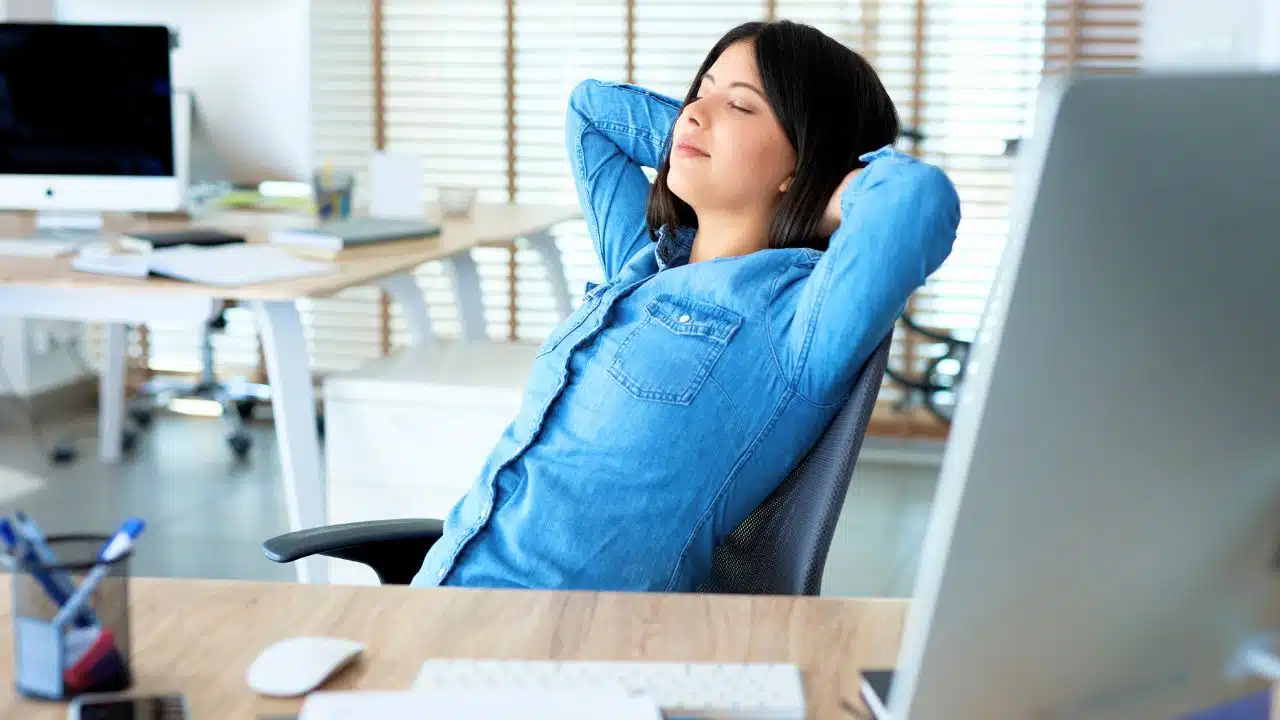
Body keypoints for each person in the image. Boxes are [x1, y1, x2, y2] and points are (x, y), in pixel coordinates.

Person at [410, 19, 961, 591]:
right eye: (701, 91)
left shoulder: (793, 321)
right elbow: (590, 113)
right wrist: (732, 139)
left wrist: (810, 185)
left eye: (741, 107)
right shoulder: (643, 264)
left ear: (802, 162)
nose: (693, 115)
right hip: (444, 599)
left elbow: (918, 201)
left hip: (552, 649)